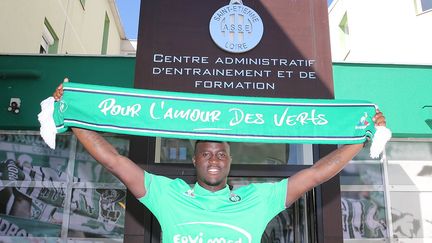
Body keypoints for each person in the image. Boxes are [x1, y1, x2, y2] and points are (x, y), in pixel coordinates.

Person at [53, 82, 387, 242]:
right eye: (207, 154)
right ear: (195, 159)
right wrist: (72, 116)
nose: (215, 159)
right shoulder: (167, 194)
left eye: (222, 154)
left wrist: (361, 137)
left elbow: (314, 175)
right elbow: (113, 160)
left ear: (230, 161)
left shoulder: (257, 199)